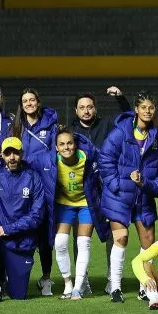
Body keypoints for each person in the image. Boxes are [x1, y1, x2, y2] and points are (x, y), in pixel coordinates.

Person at [99, 92, 158, 303]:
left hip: (143, 196)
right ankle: (116, 287)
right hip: (118, 196)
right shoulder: (120, 133)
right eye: (144, 107)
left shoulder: (157, 137)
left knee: (148, 242)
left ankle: (144, 287)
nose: (148, 111)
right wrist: (115, 184)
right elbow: (105, 159)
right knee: (121, 239)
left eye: (151, 108)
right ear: (136, 110)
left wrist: (149, 182)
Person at [0, 137, 48, 302]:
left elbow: (36, 216)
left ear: (22, 154)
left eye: (15, 152)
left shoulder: (33, 178)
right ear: (2, 155)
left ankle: (5, 275)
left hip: (21, 240)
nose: (12, 157)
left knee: (18, 295)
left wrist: (7, 229)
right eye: (8, 153)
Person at [10, 88, 60, 296]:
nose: (29, 103)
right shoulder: (15, 127)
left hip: (45, 184)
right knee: (19, 229)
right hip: (20, 183)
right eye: (25, 101)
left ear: (38, 103)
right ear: (21, 105)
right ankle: (14, 275)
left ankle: (46, 278)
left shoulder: (51, 126)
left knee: (44, 233)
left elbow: (55, 152)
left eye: (32, 100)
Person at [52, 128, 101, 300]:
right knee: (60, 243)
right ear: (56, 147)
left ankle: (78, 287)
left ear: (75, 144)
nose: (66, 147)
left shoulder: (87, 158)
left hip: (85, 204)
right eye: (62, 144)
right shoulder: (52, 161)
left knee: (83, 242)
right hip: (64, 204)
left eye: (69, 143)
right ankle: (67, 284)